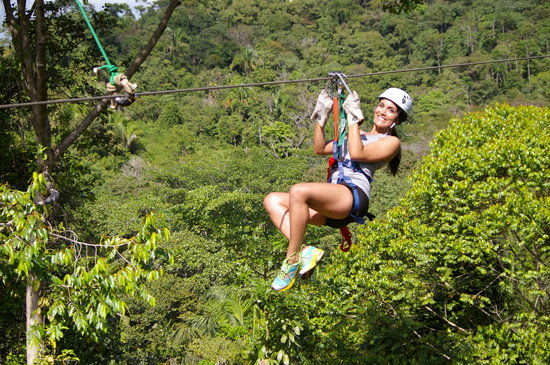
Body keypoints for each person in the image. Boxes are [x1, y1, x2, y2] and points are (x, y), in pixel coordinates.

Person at [264, 87, 412, 292]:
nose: (383, 112)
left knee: (298, 191)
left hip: (352, 195)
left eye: (391, 110)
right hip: (334, 199)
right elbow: (319, 148)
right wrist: (321, 117)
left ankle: (291, 261)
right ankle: (305, 250)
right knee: (272, 200)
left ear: (397, 118)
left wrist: (352, 121)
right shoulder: (357, 132)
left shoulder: (391, 142)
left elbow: (357, 152)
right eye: (381, 106)